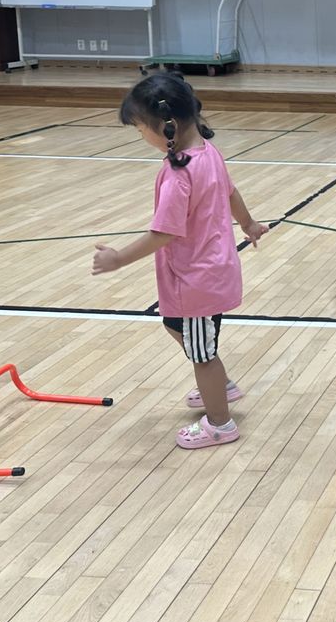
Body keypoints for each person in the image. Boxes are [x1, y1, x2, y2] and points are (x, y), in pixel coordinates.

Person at [92, 73, 267, 449]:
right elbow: (231, 192)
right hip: (208, 271)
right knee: (176, 326)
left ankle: (220, 423)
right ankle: (219, 387)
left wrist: (118, 258)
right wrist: (249, 223)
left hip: (197, 280)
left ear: (166, 126)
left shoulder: (180, 173)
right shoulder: (208, 152)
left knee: (203, 355)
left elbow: (164, 233)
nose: (142, 136)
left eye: (141, 129)